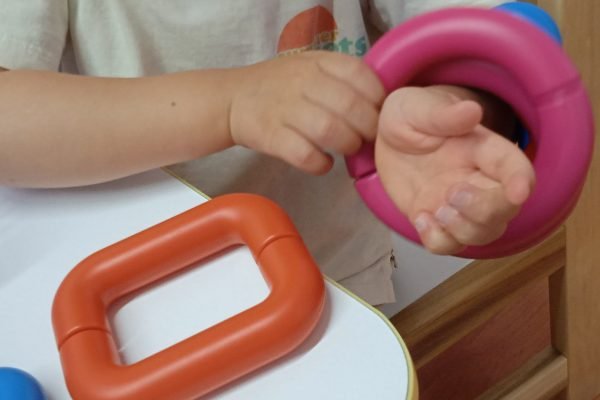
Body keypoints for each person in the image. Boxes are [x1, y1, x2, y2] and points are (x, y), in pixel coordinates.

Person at [0, 0, 534, 305]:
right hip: (137, 298)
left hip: (332, 279)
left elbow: (483, 34)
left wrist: (455, 113)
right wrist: (230, 104)